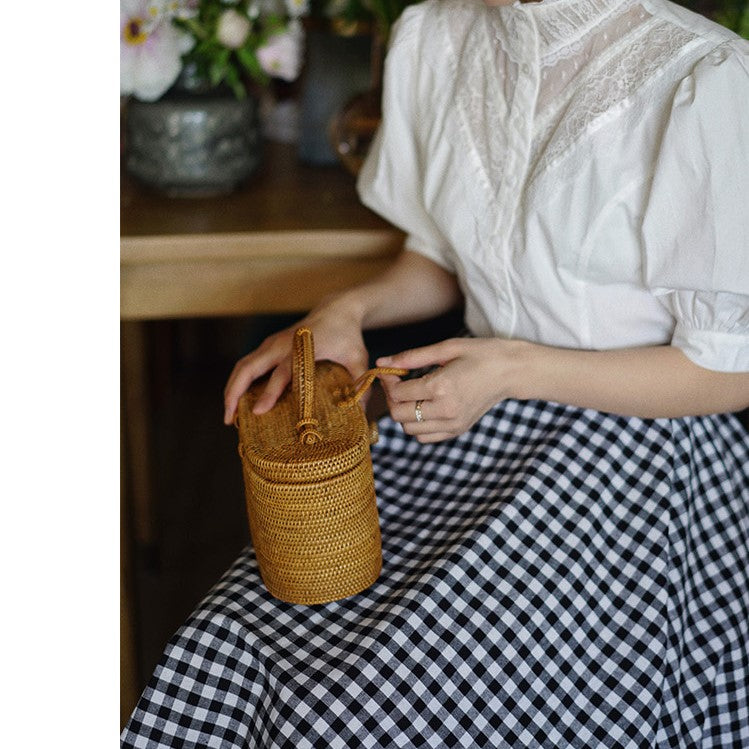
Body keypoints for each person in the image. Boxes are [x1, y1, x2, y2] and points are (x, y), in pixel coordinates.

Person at [122, 0, 749, 745]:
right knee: (226, 644)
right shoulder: (438, 35)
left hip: (637, 464)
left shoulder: (703, 77)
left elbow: (726, 370)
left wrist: (512, 368)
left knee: (362, 703)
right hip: (470, 427)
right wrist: (345, 310)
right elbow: (441, 259)